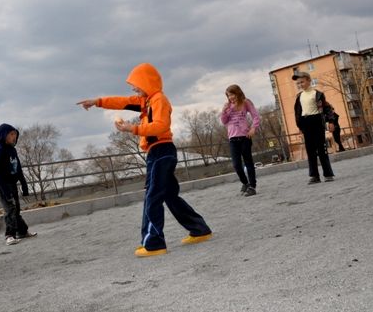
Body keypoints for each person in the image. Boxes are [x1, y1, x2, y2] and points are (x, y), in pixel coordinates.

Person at [77, 63, 212, 257]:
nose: (133, 89)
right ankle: (200, 230)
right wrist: (96, 101)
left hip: (161, 151)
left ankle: (154, 243)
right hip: (159, 152)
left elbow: (161, 125)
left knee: (152, 196)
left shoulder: (159, 100)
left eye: (136, 84)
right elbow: (121, 102)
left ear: (146, 82)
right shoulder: (145, 101)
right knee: (169, 195)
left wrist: (133, 128)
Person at [0, 123, 37, 246]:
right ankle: (9, 235)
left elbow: (18, 168)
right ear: (4, 135)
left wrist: (24, 185)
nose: (14, 137)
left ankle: (22, 231)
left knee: (16, 208)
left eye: (15, 135)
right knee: (10, 209)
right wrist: (5, 191)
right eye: (11, 134)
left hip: (12, 184)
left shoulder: (13, 150)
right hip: (3, 185)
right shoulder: (0, 150)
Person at [292, 72, 337, 184]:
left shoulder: (317, 94)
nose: (300, 85)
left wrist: (331, 121)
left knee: (322, 149)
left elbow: (327, 108)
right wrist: (300, 126)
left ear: (309, 80)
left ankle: (328, 174)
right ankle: (314, 176)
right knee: (310, 151)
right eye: (298, 83)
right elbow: (297, 112)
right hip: (306, 123)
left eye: (302, 82)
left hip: (317, 122)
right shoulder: (299, 96)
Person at [220, 85, 261, 197]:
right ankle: (245, 183)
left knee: (248, 162)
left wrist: (253, 128)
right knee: (236, 165)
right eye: (228, 95)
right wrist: (224, 111)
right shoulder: (228, 106)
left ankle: (252, 186)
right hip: (233, 139)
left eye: (232, 94)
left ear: (237, 93)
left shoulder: (246, 102)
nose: (230, 97)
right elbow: (224, 121)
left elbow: (256, 116)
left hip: (245, 137)